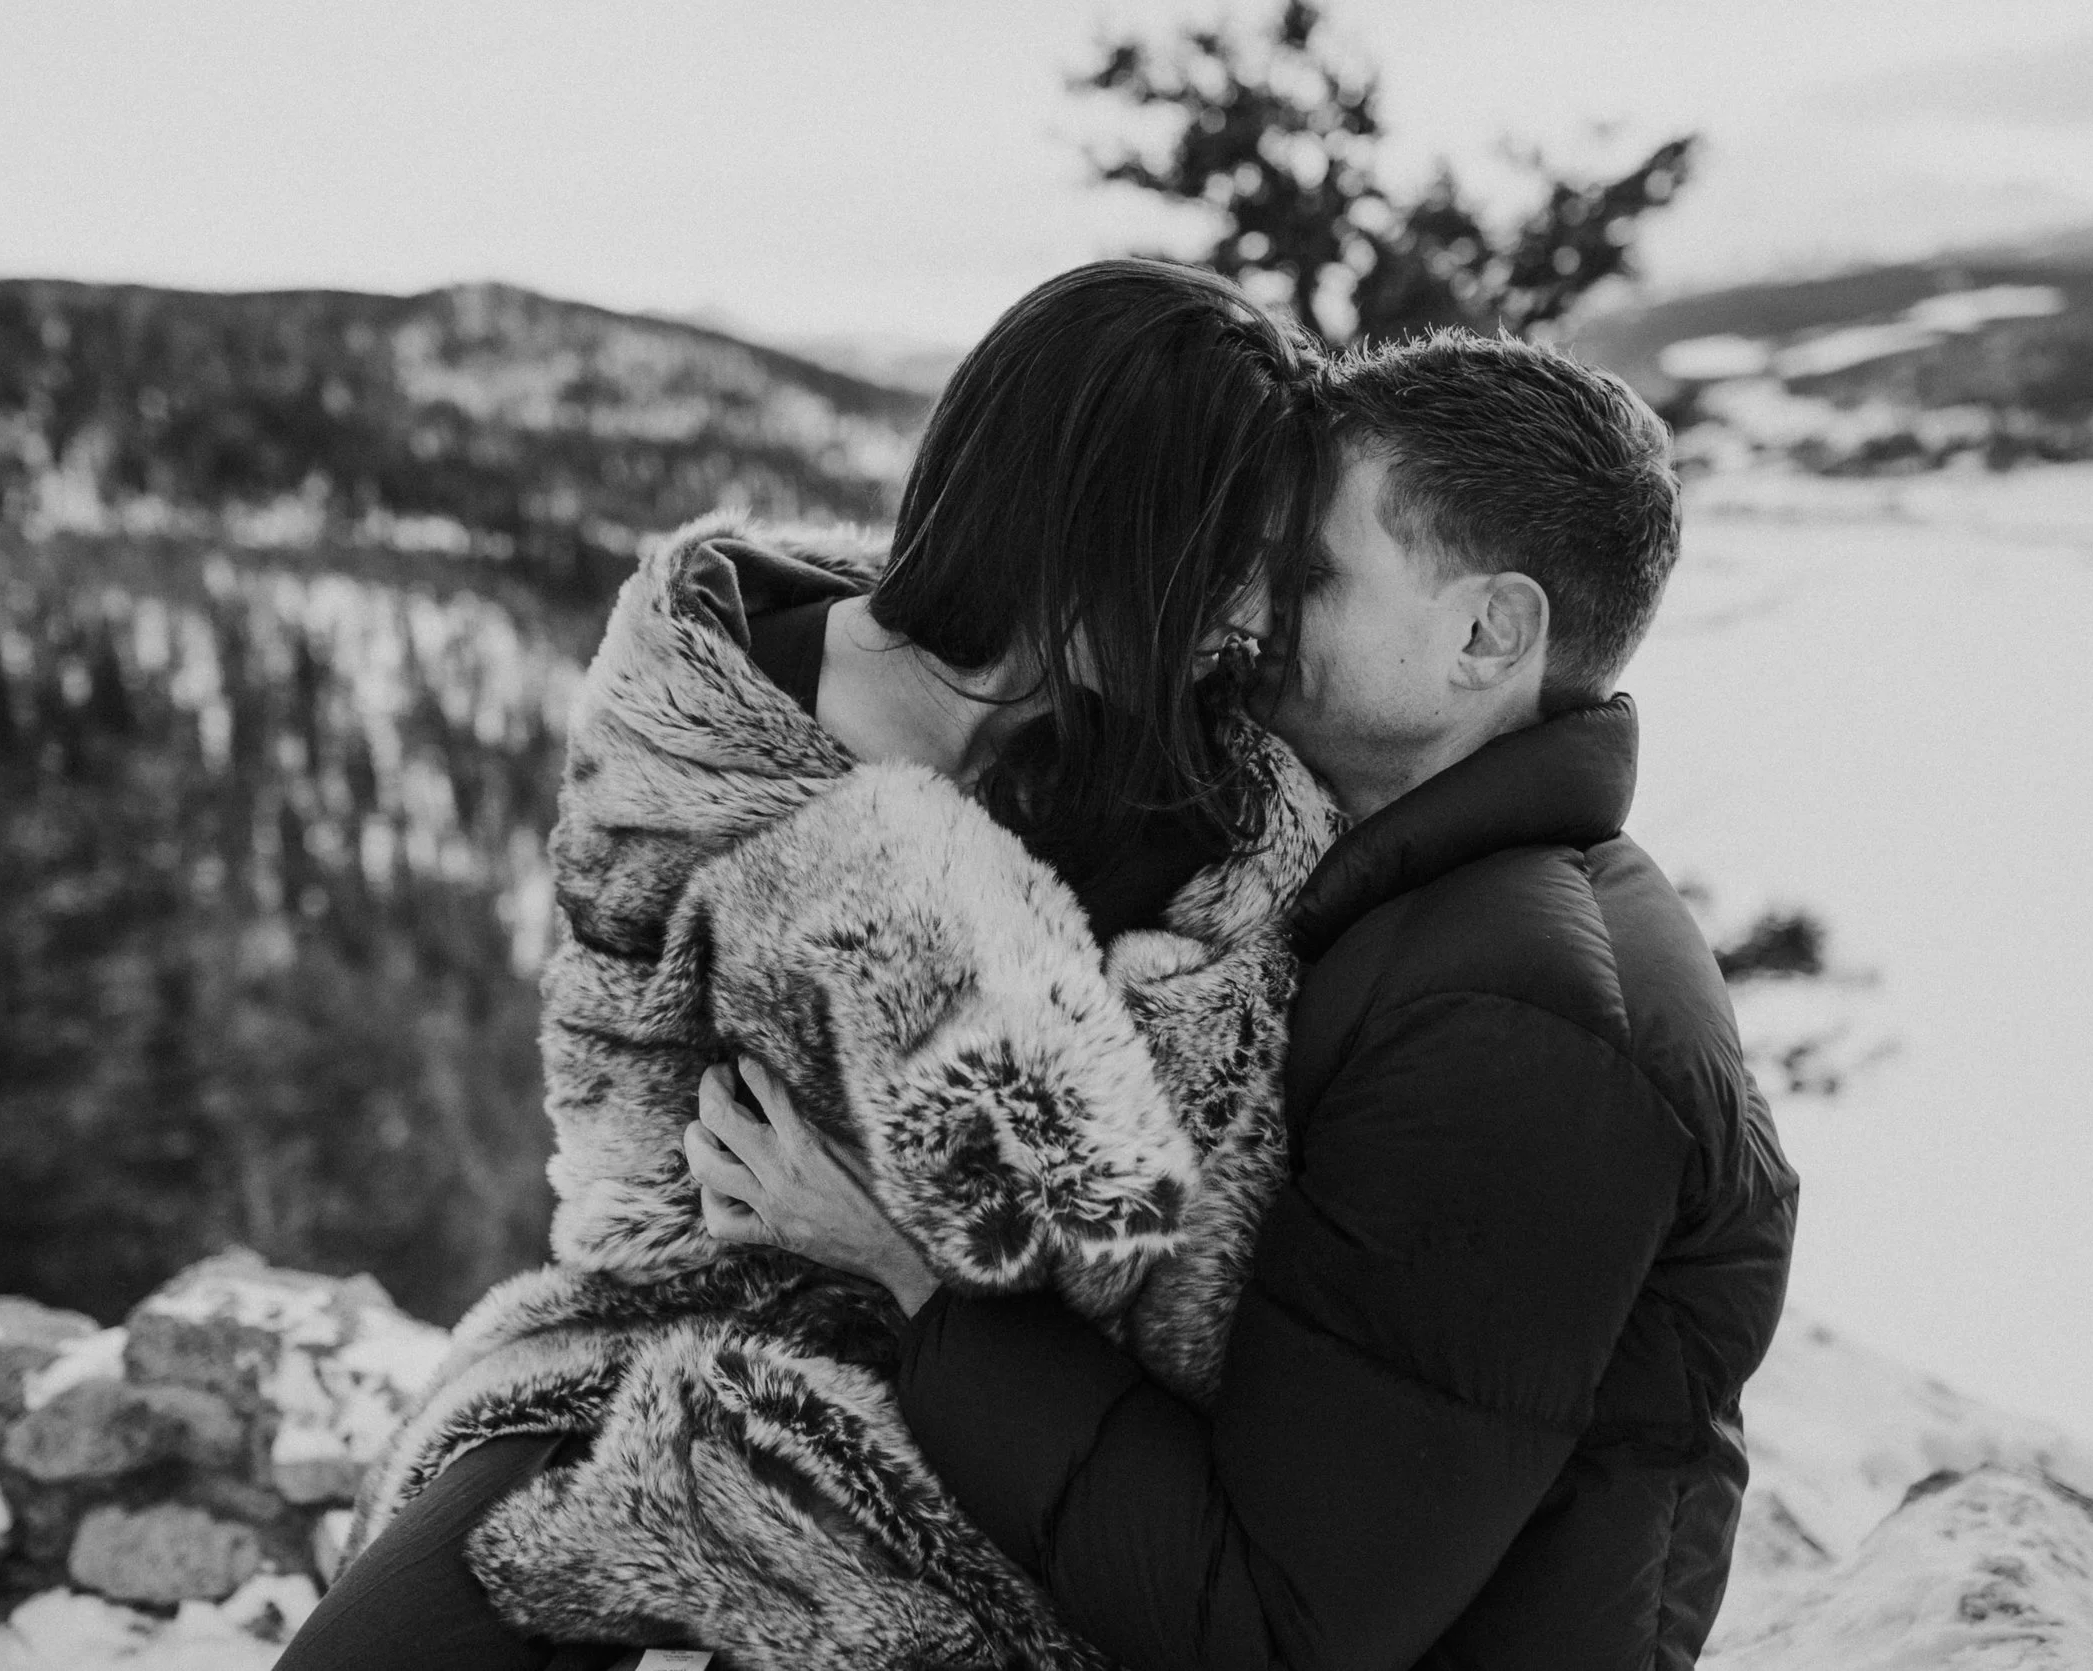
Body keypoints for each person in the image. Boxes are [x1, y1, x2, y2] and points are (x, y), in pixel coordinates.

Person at [278, 258, 1342, 1671]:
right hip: (661, 1320)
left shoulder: (1191, 802)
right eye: (1223, 555)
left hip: (974, 1400)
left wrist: (899, 1237)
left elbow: (1157, 1220)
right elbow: (624, 1100)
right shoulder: (716, 704)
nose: (1246, 613)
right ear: (1102, 518)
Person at [698, 331, 1800, 1670]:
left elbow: (1271, 1627)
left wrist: (914, 1276)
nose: (1254, 614)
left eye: (1310, 576)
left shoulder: (1521, 1028)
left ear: (1488, 634)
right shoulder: (1415, 894)